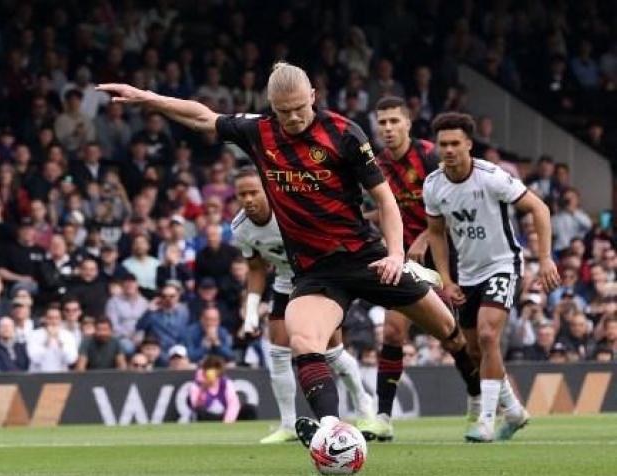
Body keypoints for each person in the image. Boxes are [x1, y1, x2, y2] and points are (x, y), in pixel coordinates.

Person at [98, 62, 475, 448]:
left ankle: (486, 398)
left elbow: (383, 197)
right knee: (303, 342)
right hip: (316, 273)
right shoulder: (259, 131)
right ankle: (332, 431)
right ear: (270, 106)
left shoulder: (344, 133)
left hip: (368, 259)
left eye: (300, 108)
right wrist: (148, 99)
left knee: (451, 333)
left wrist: (396, 254)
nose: (293, 118)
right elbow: (202, 117)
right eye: (283, 111)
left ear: (313, 96)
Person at [424, 112, 561, 442]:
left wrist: (544, 259)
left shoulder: (491, 176)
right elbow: (436, 233)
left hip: (502, 265)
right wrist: (446, 279)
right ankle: (514, 412)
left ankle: (486, 421)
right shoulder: (433, 185)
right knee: (474, 351)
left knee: (488, 337)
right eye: (443, 144)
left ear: (469, 145)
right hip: (466, 275)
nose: (449, 150)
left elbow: (539, 208)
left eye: (456, 143)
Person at [232, 167, 377, 443]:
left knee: (332, 353)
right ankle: (287, 424)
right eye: (242, 194)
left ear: (266, 188)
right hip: (286, 284)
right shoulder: (241, 227)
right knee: (277, 352)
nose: (248, 199)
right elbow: (256, 269)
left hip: (318, 280)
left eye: (254, 192)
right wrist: (250, 315)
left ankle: (364, 406)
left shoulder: (289, 211)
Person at [368, 96, 481, 441]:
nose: (387, 128)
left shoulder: (432, 155)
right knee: (392, 332)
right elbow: (383, 210)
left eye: (393, 121)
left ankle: (479, 398)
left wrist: (423, 239)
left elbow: (456, 202)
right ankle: (383, 417)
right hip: (404, 258)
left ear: (408, 123)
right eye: (382, 122)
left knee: (458, 340)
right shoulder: (377, 165)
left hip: (447, 254)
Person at [188, 355, 241, 423]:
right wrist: (203, 389)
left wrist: (227, 422)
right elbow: (195, 406)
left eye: (216, 368)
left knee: (249, 409)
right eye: (209, 368)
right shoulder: (196, 385)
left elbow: (233, 404)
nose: (213, 371)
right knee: (200, 411)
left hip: (224, 416)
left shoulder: (226, 383)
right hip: (207, 417)